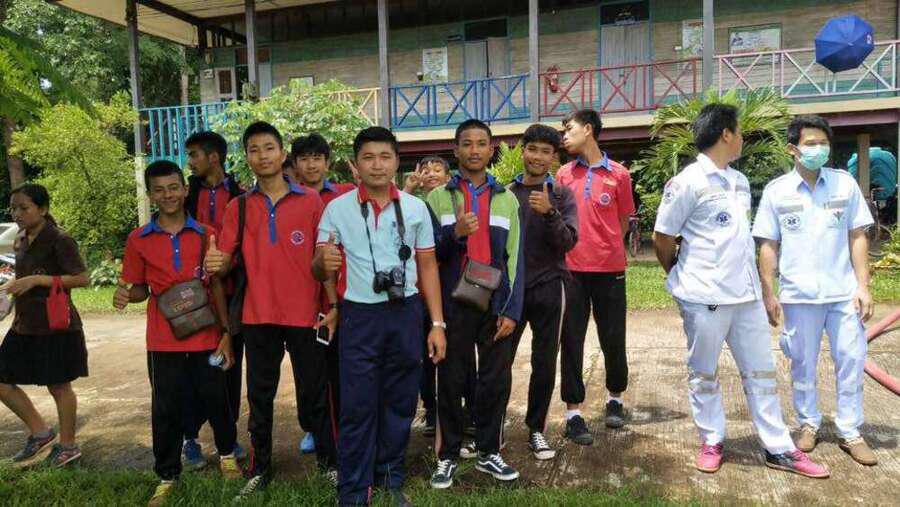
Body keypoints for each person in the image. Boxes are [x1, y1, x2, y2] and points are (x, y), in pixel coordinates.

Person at [652, 103, 829, 478]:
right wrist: (679, 276)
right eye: (740, 132)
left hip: (746, 296)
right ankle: (712, 439)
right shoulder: (687, 182)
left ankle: (778, 448)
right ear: (726, 134)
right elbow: (662, 237)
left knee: (762, 371)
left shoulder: (739, 180)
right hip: (705, 297)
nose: (743, 139)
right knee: (704, 372)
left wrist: (764, 291)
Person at [313, 126, 447, 507]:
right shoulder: (337, 209)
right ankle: (354, 489)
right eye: (368, 158)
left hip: (406, 313)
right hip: (359, 317)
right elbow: (319, 268)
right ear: (355, 165)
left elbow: (428, 266)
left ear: (396, 162)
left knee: (400, 400)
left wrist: (437, 324)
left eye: (385, 157)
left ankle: (390, 478)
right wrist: (323, 263)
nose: (377, 165)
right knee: (357, 404)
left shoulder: (416, 208)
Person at [204, 121, 337, 500]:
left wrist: (333, 306)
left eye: (269, 148)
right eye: (254, 150)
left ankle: (330, 464)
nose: (262, 156)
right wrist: (216, 262)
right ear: (247, 157)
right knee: (260, 397)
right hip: (257, 315)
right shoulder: (240, 207)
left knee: (315, 393)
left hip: (305, 314)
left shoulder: (311, 202)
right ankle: (260, 469)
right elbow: (225, 261)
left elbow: (323, 259)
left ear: (282, 155)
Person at [114, 161, 240, 507]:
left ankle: (227, 454)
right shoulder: (138, 239)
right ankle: (167, 474)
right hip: (162, 340)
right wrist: (125, 295)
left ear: (185, 190)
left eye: (173, 187)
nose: (167, 195)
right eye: (159, 190)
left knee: (217, 397)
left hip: (207, 336)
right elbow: (139, 290)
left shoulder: (206, 234)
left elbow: (216, 285)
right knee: (165, 407)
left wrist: (226, 332)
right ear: (150, 195)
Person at [753, 114, 877, 466]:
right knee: (802, 363)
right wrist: (769, 293)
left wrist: (863, 286)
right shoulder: (777, 191)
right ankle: (809, 423)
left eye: (823, 143)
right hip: (798, 295)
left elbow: (857, 235)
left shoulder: (844, 184)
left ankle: (850, 430)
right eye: (810, 143)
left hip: (843, 293)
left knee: (851, 359)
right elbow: (768, 244)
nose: (818, 149)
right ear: (792, 148)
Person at [427, 119, 524, 489]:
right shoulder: (438, 198)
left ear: (491, 149)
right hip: (454, 303)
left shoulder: (507, 199)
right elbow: (428, 256)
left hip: (495, 303)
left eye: (481, 143)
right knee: (451, 379)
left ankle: (488, 452)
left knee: (495, 380)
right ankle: (448, 456)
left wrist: (511, 310)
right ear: (456, 150)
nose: (474, 150)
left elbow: (515, 258)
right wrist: (454, 234)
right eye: (466, 143)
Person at [556, 109, 634, 444]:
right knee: (571, 340)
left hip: (610, 270)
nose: (564, 136)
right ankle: (573, 412)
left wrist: (605, 246)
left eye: (569, 129)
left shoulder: (620, 174)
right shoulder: (563, 174)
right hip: (571, 271)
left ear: (588, 129)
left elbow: (624, 220)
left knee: (613, 337)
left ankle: (615, 398)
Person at [0, 184, 89, 468]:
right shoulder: (20, 238)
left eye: (24, 208)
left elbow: (82, 278)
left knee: (59, 386)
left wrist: (38, 280)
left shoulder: (60, 239)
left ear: (43, 209)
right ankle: (40, 432)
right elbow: (24, 278)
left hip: (56, 324)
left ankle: (68, 447)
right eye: (13, 208)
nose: (17, 214)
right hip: (25, 324)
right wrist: (12, 289)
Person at [507, 124, 578, 460]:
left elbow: (568, 243)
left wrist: (550, 212)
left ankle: (536, 429)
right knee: (499, 360)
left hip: (550, 286)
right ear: (522, 151)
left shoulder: (562, 195)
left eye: (546, 151)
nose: (537, 157)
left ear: (554, 157)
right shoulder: (506, 194)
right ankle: (491, 428)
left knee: (544, 361)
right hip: (512, 292)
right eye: (532, 149)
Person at [183, 130, 246, 468]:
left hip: (233, 293)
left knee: (228, 364)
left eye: (194, 155)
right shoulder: (184, 195)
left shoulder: (241, 195)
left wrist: (229, 265)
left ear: (214, 157)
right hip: (194, 294)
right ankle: (189, 438)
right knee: (192, 365)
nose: (190, 162)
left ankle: (228, 436)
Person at [290, 133, 356, 455]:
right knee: (307, 372)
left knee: (340, 368)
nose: (311, 164)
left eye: (317, 157)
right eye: (304, 158)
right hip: (304, 301)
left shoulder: (346, 194)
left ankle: (342, 427)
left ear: (327, 163)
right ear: (295, 165)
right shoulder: (289, 200)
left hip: (342, 298)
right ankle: (312, 428)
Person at [402, 154, 452, 437]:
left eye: (437, 169)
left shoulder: (454, 201)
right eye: (426, 170)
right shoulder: (412, 204)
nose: (431, 173)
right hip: (416, 292)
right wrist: (408, 189)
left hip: (448, 290)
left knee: (450, 355)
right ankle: (431, 409)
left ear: (448, 176)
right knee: (423, 356)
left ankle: (453, 409)